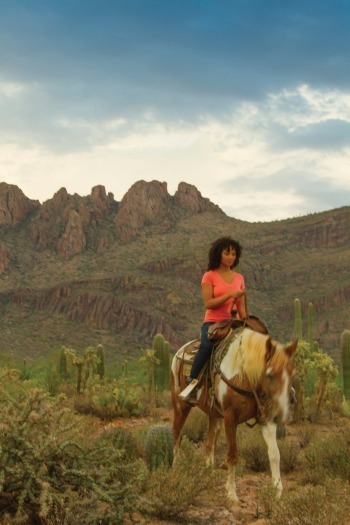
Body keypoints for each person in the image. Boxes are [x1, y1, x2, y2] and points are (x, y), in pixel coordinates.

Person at [187, 236, 247, 384]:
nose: (231, 257)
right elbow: (209, 303)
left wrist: (247, 322)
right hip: (214, 323)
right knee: (206, 347)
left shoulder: (239, 278)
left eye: (233, 254)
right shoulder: (209, 276)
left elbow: (241, 307)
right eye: (227, 253)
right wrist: (229, 295)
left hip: (235, 324)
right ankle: (192, 380)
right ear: (218, 254)